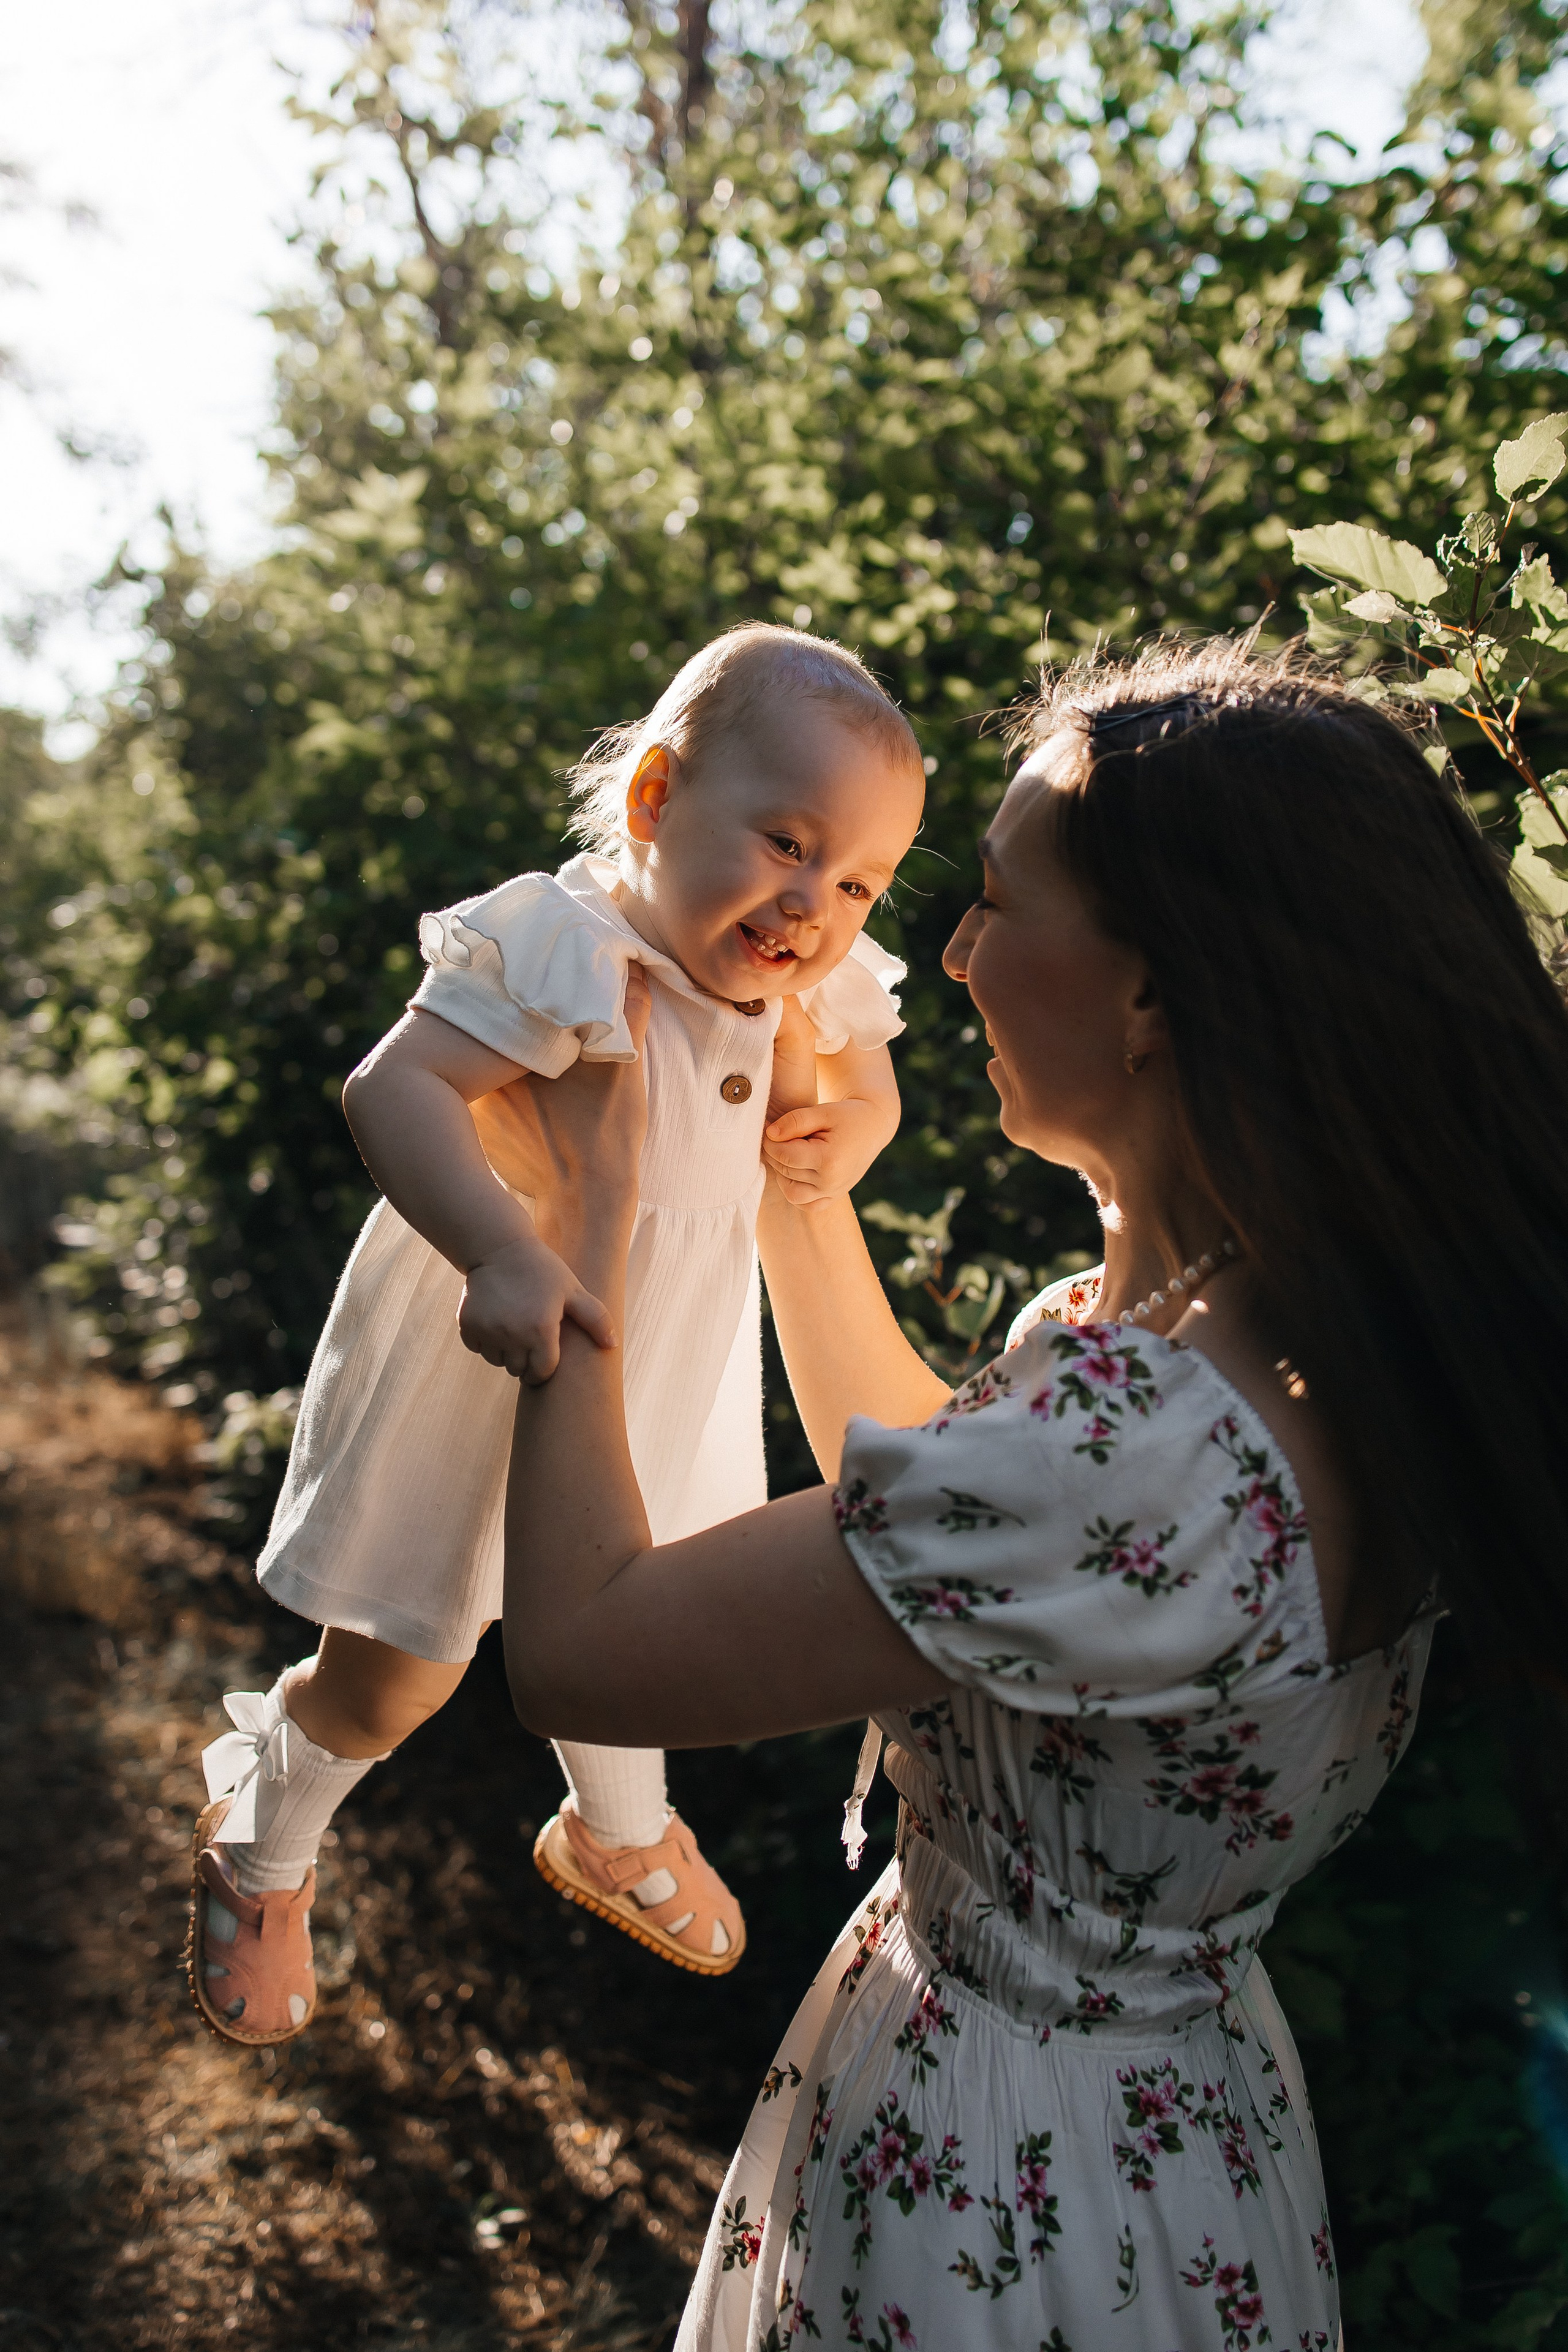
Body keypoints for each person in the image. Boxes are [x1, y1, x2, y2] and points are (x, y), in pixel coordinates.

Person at [492, 637, 1568, 2350]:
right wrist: (796, 1204)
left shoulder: (1149, 1446)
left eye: (996, 903)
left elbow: (585, 1652)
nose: (955, 953)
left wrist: (581, 1218)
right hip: (1178, 2136)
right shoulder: (1279, 1331)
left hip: (998, 2182)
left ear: (1153, 993)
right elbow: (954, 1532)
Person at [186, 623, 926, 2048]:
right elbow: (392, 1089)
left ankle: (618, 1829)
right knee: (404, 1660)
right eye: (783, 842)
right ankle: (263, 1834)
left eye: (857, 880)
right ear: (654, 801)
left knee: (639, 1599)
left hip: (670, 1348)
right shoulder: (569, 941)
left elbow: (866, 1071)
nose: (814, 905)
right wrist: (500, 1251)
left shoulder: (802, 973)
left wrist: (859, 1121)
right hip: (502, 1329)